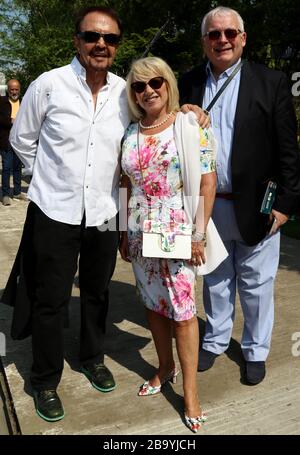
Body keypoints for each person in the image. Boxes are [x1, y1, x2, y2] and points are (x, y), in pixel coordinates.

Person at [6, 6, 131, 422]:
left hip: (105, 211)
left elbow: (139, 146)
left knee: (98, 291)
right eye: (92, 36)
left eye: (109, 39)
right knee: (50, 298)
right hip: (54, 210)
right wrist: (49, 175)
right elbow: (22, 139)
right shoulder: (49, 84)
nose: (101, 45)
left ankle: (93, 357)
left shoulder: (124, 92)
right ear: (76, 40)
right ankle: (44, 380)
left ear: (116, 46)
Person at [179, 6, 300, 385]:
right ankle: (214, 340)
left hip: (258, 205)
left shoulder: (271, 82)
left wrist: (284, 206)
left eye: (230, 33)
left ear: (243, 38)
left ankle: (255, 350)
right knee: (215, 277)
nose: (223, 40)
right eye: (214, 34)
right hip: (209, 205)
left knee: (256, 283)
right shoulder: (187, 83)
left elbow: (288, 153)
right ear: (204, 42)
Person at [119, 56, 226, 433]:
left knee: (182, 311)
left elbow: (208, 182)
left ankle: (191, 390)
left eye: (155, 83)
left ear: (167, 84)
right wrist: (121, 229)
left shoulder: (189, 125)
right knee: (152, 304)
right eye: (138, 86)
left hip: (178, 231)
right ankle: (164, 368)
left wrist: (199, 234)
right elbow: (125, 183)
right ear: (132, 93)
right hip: (138, 232)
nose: (148, 91)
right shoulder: (130, 132)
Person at [0, 79, 26, 206]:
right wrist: (10, 121)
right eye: (12, 89)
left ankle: (16, 192)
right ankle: (5, 194)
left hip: (20, 141)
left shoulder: (25, 102)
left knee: (17, 168)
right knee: (6, 168)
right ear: (8, 90)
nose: (14, 92)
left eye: (16, 89)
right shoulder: (2, 101)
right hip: (6, 140)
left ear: (19, 90)